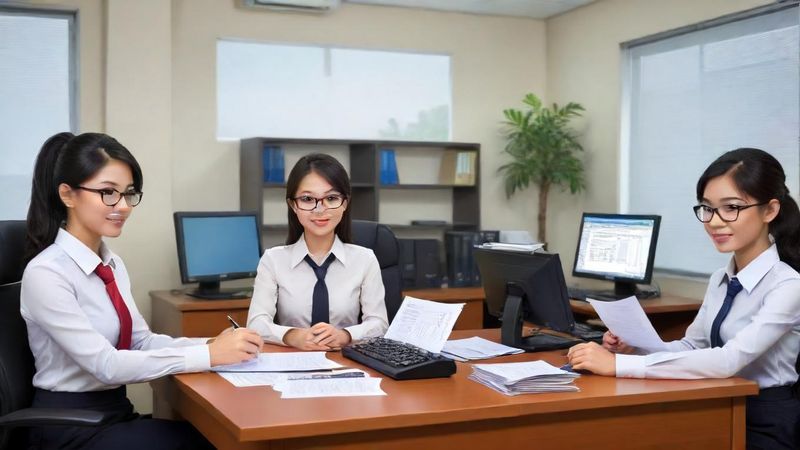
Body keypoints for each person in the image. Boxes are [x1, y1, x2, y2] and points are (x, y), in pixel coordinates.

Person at [21, 132, 264, 450]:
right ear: (67, 194)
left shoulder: (111, 264)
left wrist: (211, 343)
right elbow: (107, 365)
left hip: (115, 413)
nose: (122, 206)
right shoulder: (47, 273)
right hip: (68, 427)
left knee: (219, 436)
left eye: (128, 194)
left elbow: (141, 341)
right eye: (108, 193)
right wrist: (209, 355)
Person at [567, 148, 800, 449]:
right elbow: (693, 346)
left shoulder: (788, 285)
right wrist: (635, 349)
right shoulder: (721, 278)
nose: (714, 221)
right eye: (707, 208)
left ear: (769, 210)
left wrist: (618, 366)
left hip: (766, 419)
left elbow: (729, 359)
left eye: (731, 208)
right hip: (718, 402)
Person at [247, 153, 388, 350]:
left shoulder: (365, 260)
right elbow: (256, 323)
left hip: (348, 363)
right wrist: (293, 336)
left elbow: (379, 324)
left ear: (345, 203)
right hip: (291, 363)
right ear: (293, 205)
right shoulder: (273, 260)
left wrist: (346, 335)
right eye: (307, 199)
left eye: (331, 198)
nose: (320, 209)